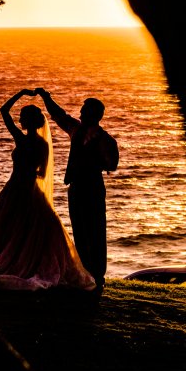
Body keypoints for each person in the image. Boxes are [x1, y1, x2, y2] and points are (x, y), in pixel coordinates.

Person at [0, 90, 95, 292]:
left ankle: (12, 264)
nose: (20, 120)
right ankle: (22, 263)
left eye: (22, 117)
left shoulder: (22, 139)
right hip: (29, 188)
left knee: (8, 229)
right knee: (28, 230)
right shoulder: (41, 145)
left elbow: (4, 111)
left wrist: (21, 93)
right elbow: (42, 172)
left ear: (28, 121)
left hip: (15, 187)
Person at [34, 88, 119, 291]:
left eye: (84, 111)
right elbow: (59, 116)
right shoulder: (75, 129)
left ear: (94, 114)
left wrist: (95, 159)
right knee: (80, 230)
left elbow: (112, 164)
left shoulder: (107, 140)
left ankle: (98, 274)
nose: (80, 114)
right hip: (76, 187)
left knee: (96, 230)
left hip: (94, 188)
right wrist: (46, 97)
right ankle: (84, 272)